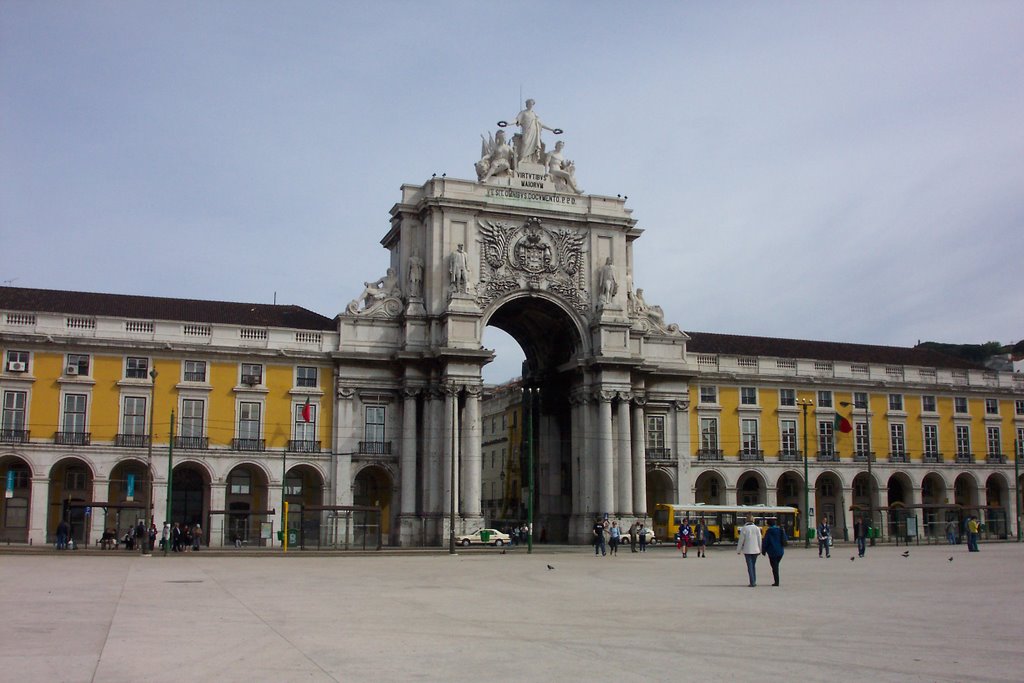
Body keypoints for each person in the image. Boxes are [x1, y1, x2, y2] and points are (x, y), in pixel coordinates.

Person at [510, 99, 558, 164]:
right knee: (525, 143)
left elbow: (541, 124)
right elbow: (516, 120)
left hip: (534, 133)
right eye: (529, 103)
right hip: (527, 131)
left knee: (534, 147)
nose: (530, 105)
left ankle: (532, 161)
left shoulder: (535, 115)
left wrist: (552, 130)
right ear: (526, 104)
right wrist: (508, 123)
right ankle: (523, 159)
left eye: (531, 104)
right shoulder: (523, 113)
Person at [737, 515, 763, 587]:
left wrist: (738, 550)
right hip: (756, 550)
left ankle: (752, 582)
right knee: (753, 566)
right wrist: (760, 549)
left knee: (750, 566)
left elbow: (741, 540)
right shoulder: (757, 528)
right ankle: (754, 580)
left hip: (747, 550)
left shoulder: (744, 528)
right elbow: (759, 539)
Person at [762, 518, 788, 587]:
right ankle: (776, 581)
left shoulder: (769, 532)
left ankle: (776, 582)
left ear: (768, 524)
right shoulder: (780, 530)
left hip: (772, 552)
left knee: (774, 567)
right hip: (780, 552)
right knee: (776, 566)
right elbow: (785, 539)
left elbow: (765, 542)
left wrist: (763, 550)